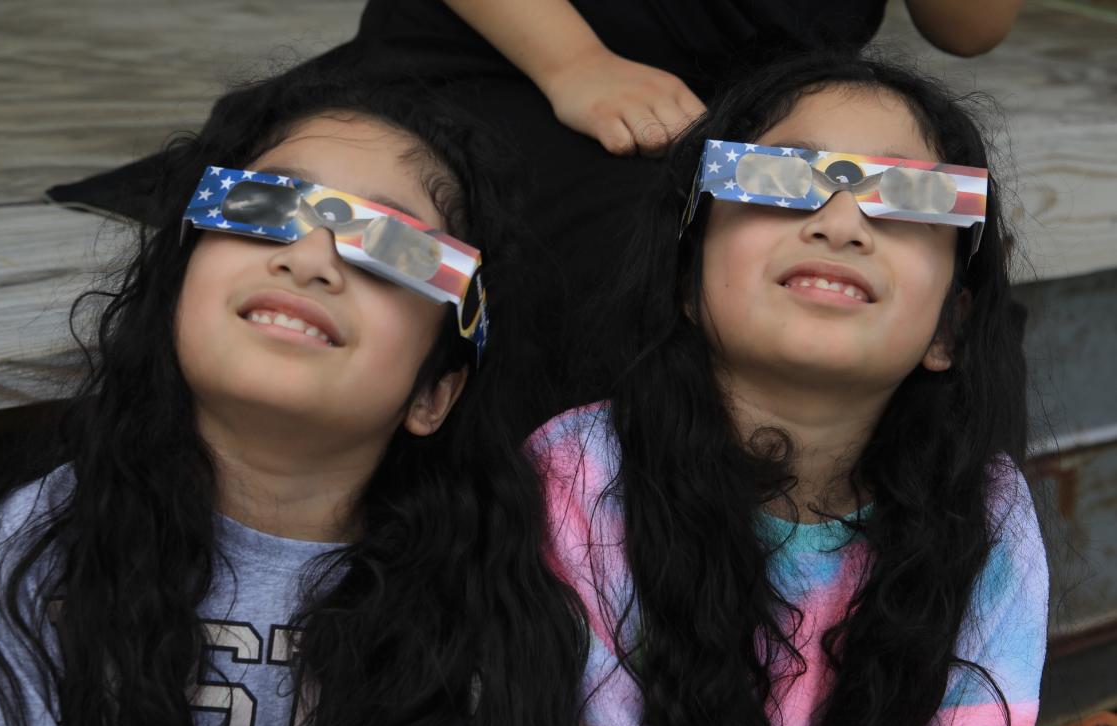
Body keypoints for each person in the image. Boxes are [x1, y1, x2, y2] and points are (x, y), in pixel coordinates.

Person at [0, 68, 596, 726]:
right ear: (178, 285)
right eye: (263, 206)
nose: (309, 258)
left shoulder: (498, 607)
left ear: (436, 391)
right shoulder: (34, 555)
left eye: (390, 245)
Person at [531, 52, 1047, 726]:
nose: (841, 221)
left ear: (951, 327)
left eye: (910, 196)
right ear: (689, 274)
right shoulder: (569, 479)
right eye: (779, 177)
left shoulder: (985, 512)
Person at [50, 0, 1024, 422]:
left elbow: (972, 29)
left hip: (756, 111)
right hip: (522, 64)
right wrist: (574, 64)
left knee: (945, 264)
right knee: (636, 265)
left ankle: (895, 653)